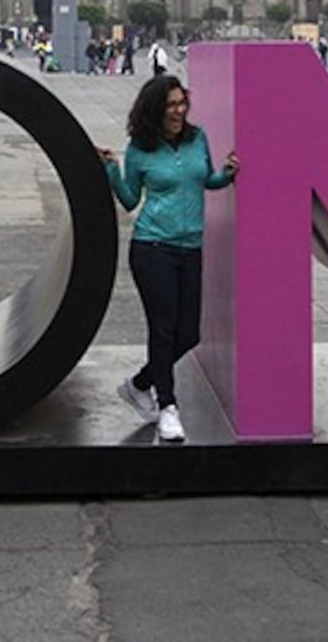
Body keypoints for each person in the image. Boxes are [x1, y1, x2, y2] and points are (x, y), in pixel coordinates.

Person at [98, 75, 239, 443]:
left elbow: (204, 179)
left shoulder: (198, 138)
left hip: (190, 248)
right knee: (162, 329)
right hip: (152, 248)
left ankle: (138, 385)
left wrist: (226, 175)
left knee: (189, 334)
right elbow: (130, 199)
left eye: (181, 103)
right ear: (155, 110)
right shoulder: (141, 148)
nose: (178, 111)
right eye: (171, 105)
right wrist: (112, 171)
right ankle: (168, 407)